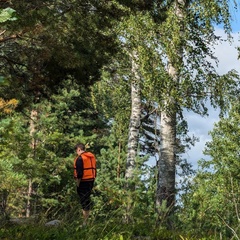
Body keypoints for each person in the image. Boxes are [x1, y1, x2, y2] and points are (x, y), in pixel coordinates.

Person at [73, 143, 96, 226]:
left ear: (79, 149)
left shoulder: (80, 159)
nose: (76, 153)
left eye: (76, 151)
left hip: (83, 181)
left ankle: (85, 222)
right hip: (91, 181)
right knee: (87, 200)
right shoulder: (91, 157)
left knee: (83, 201)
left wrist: (77, 184)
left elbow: (79, 173)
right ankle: (86, 221)